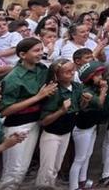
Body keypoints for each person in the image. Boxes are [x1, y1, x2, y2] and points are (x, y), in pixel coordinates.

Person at [0, 38, 58, 190]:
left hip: (35, 122)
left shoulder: (42, 69)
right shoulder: (13, 78)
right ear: (23, 55)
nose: (41, 53)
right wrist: (38, 97)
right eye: (36, 50)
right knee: (14, 170)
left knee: (23, 168)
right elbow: (4, 110)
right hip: (18, 124)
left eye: (41, 49)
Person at [37, 58, 84, 189]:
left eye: (73, 70)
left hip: (66, 132)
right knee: (47, 167)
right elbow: (44, 120)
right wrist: (61, 111)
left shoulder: (76, 87)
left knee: (57, 166)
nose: (72, 73)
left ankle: (51, 185)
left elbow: (80, 106)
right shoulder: (54, 91)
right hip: (52, 133)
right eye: (66, 72)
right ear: (57, 75)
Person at [70, 61, 108, 190]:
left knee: (88, 154)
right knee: (80, 158)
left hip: (91, 126)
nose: (100, 78)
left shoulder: (93, 88)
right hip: (82, 128)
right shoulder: (86, 90)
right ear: (90, 77)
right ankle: (74, 186)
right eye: (97, 75)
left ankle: (83, 180)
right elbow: (99, 103)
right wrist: (104, 90)